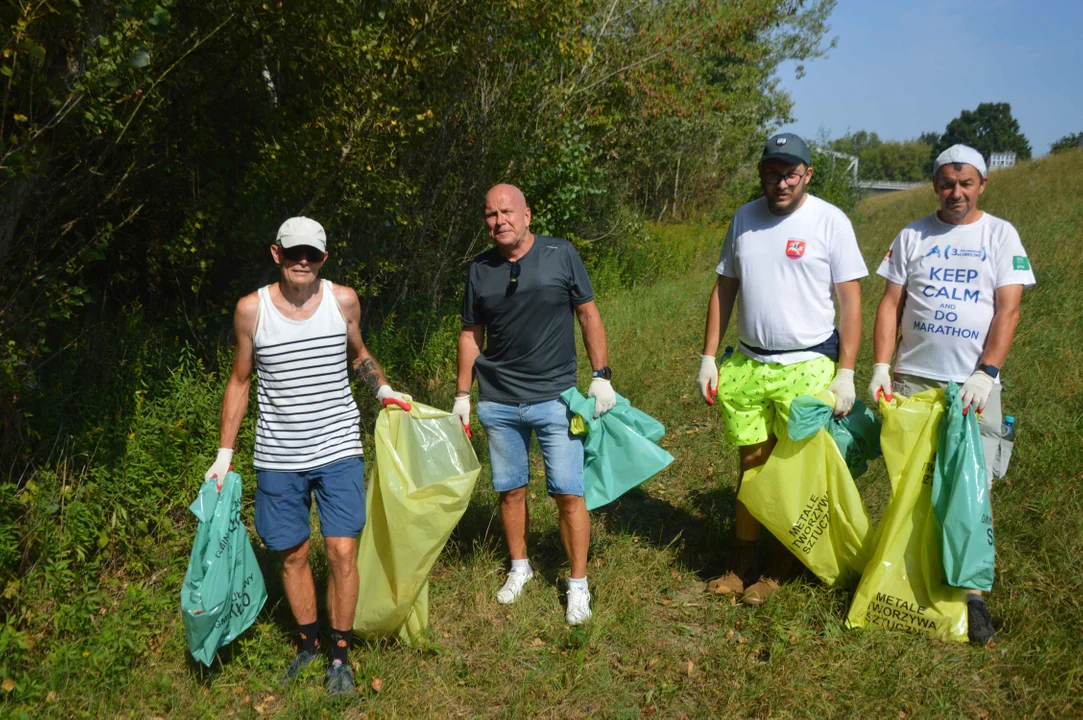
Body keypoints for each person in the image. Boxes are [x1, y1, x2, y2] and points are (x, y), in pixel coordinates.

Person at [203, 217, 412, 695]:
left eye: (312, 254)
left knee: (341, 551)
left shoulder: (343, 301)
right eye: (294, 252)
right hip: (278, 456)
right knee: (293, 555)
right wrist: (223, 452)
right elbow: (240, 379)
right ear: (276, 253)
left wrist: (382, 389)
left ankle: (340, 656)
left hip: (338, 446)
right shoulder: (251, 311)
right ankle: (307, 645)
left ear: (323, 258)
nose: (303, 261)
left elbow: (358, 354)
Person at [868, 144, 1035, 646]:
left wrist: (987, 372)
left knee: (970, 492)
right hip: (913, 381)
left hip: (972, 388)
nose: (955, 192)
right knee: (912, 487)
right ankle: (912, 579)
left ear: (983, 184)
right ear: (934, 184)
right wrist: (880, 367)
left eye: (965, 183)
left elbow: (1008, 311)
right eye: (946, 183)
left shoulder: (1000, 235)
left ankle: (972, 597)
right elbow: (889, 303)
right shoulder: (913, 235)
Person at [697, 133, 867, 605]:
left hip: (809, 364)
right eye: (773, 172)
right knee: (751, 463)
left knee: (794, 470)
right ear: (761, 174)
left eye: (791, 173)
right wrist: (708, 357)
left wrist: (847, 372)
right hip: (749, 363)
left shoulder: (830, 221)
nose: (781, 182)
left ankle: (780, 566)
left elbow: (850, 301)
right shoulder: (744, 219)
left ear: (808, 174)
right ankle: (741, 561)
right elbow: (724, 287)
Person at [451, 184, 616, 625]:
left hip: (555, 398)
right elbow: (471, 334)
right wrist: (462, 395)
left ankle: (577, 584)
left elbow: (588, 313)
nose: (499, 220)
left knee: (568, 491)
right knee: (510, 489)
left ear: (528, 215)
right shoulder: (479, 270)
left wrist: (601, 376)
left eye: (507, 211)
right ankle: (519, 566)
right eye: (490, 214)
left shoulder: (561, 254)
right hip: (499, 402)